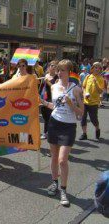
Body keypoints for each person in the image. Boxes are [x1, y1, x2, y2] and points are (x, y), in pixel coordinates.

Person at [41, 59, 84, 206]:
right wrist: (43, 102)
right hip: (54, 123)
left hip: (68, 127)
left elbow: (81, 114)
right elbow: (55, 106)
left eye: (62, 70)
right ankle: (54, 183)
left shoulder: (76, 89)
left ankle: (63, 190)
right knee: (54, 158)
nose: (59, 73)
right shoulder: (54, 87)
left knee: (62, 160)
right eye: (58, 70)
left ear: (69, 72)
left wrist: (72, 104)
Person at [79, 62, 105, 140]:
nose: (96, 69)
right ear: (92, 68)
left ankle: (97, 128)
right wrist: (84, 94)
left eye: (98, 68)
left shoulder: (101, 79)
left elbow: (100, 91)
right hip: (85, 102)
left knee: (93, 119)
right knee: (83, 118)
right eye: (95, 67)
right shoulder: (88, 76)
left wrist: (96, 83)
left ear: (100, 70)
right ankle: (84, 134)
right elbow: (83, 87)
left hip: (94, 103)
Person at [40, 60, 59, 140]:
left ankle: (46, 132)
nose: (53, 67)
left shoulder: (57, 77)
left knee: (48, 116)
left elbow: (55, 88)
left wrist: (47, 82)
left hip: (51, 98)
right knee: (44, 115)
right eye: (52, 65)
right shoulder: (46, 75)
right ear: (49, 67)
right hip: (43, 97)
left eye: (55, 66)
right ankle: (50, 131)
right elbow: (41, 86)